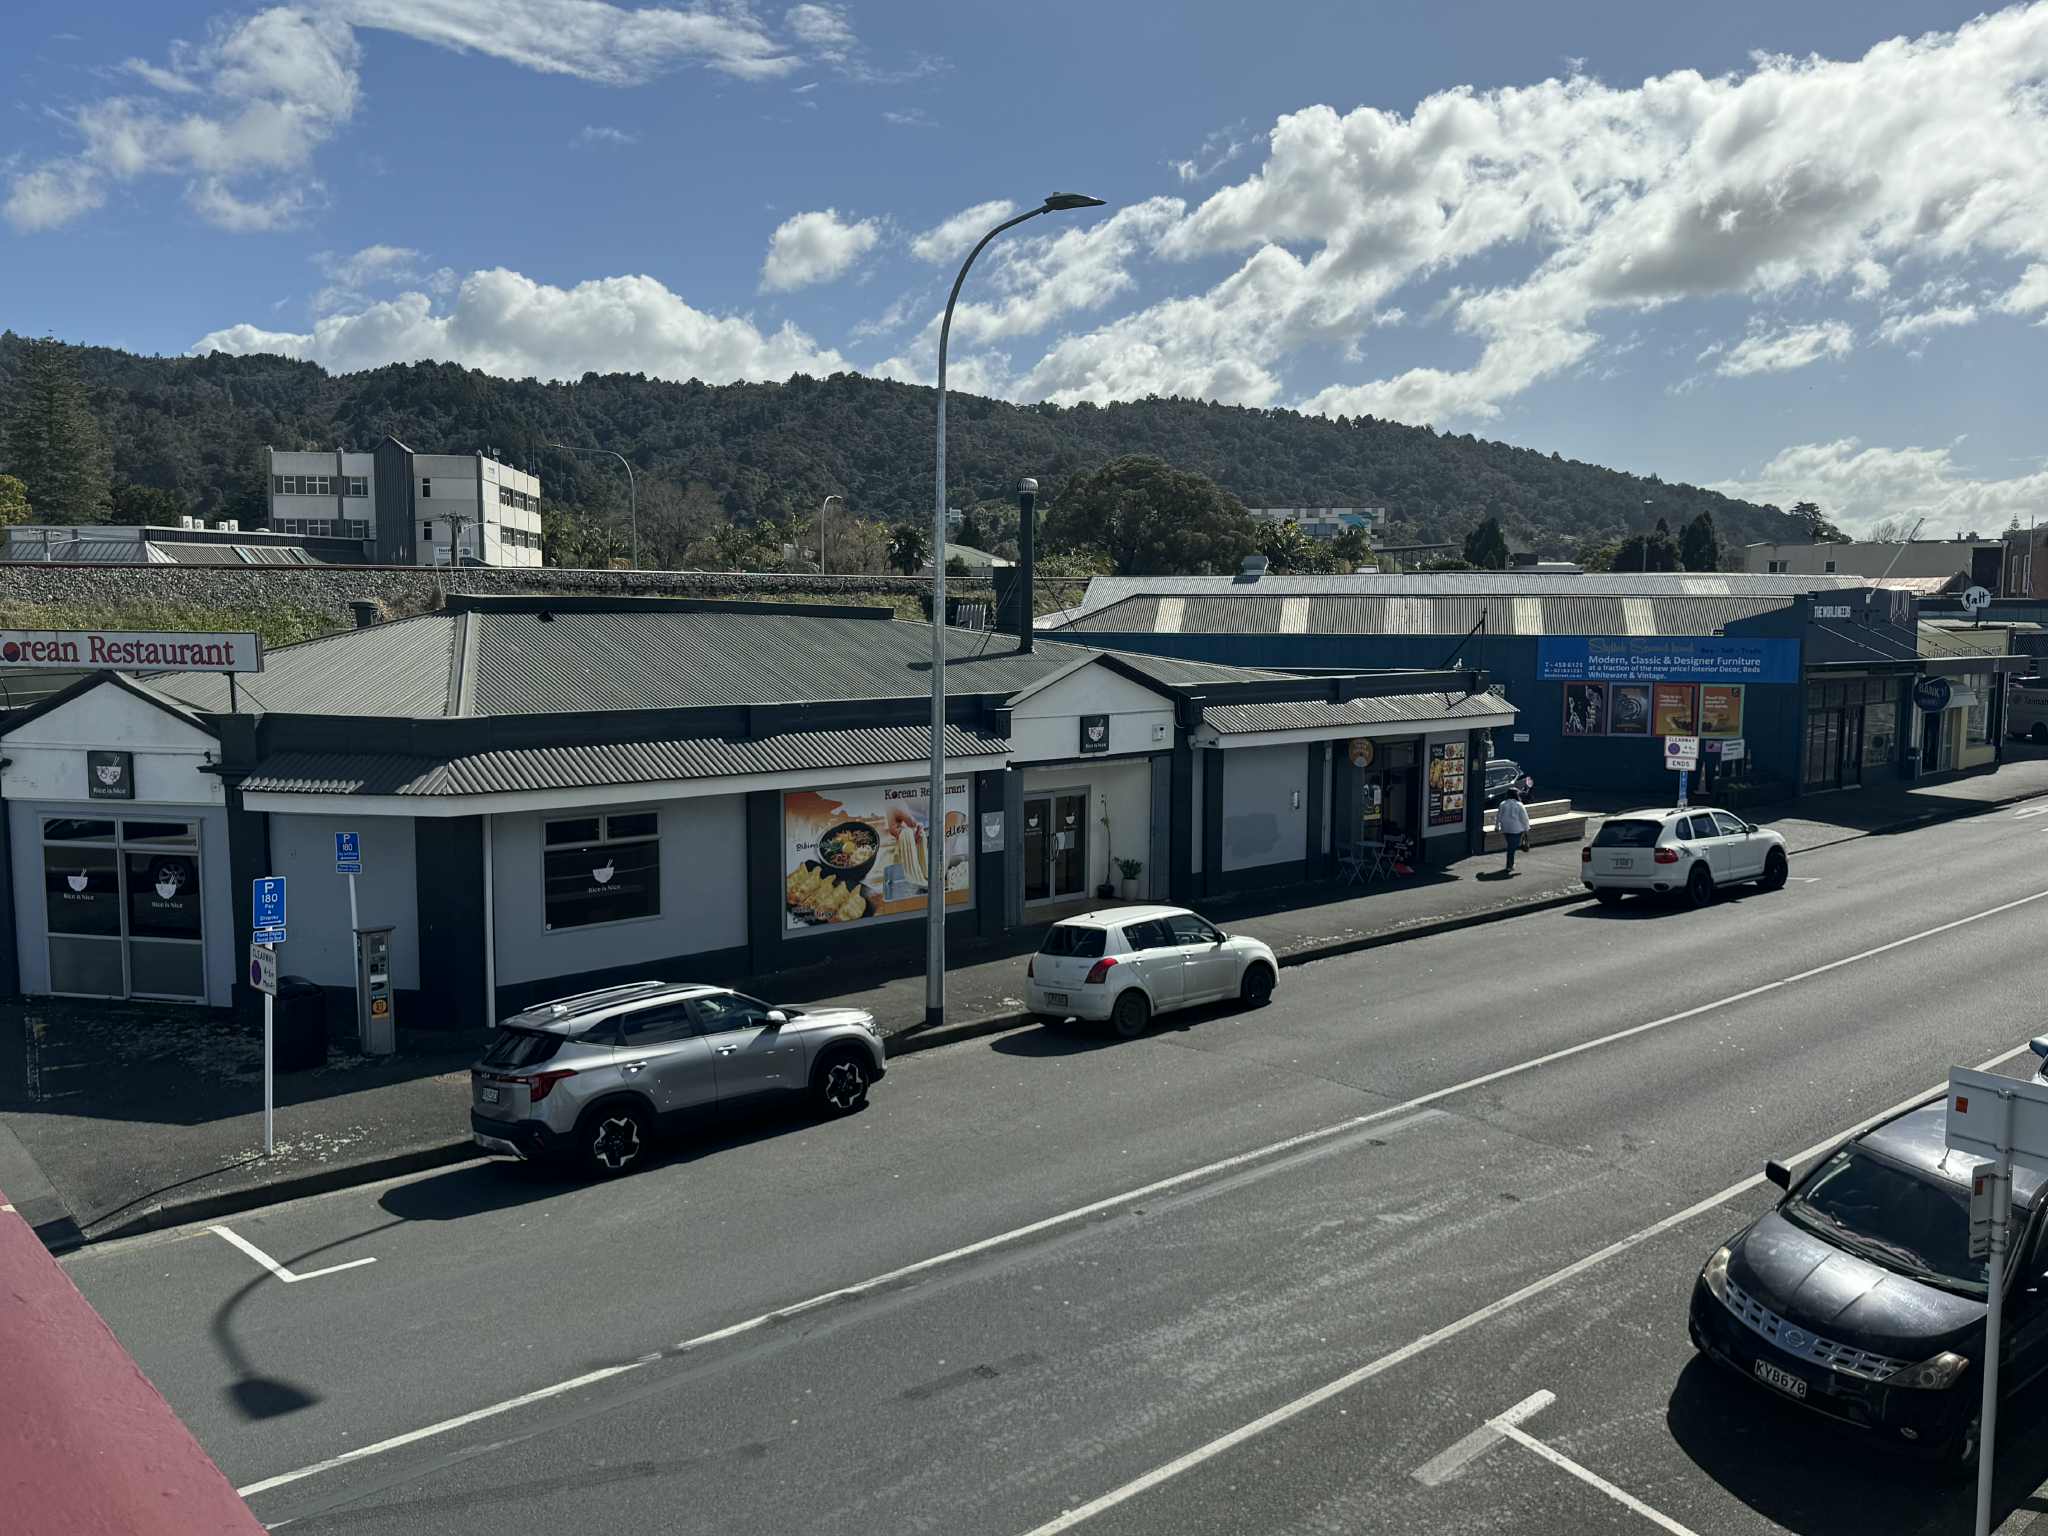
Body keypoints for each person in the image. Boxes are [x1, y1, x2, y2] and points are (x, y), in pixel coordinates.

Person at [1496, 786, 1531, 873]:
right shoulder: (1519, 804)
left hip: (1505, 828)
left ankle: (1510, 864)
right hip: (1516, 829)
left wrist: (1497, 826)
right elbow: (1524, 818)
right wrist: (1526, 828)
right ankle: (1509, 865)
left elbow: (1498, 816)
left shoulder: (1503, 803)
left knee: (1510, 845)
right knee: (1511, 848)